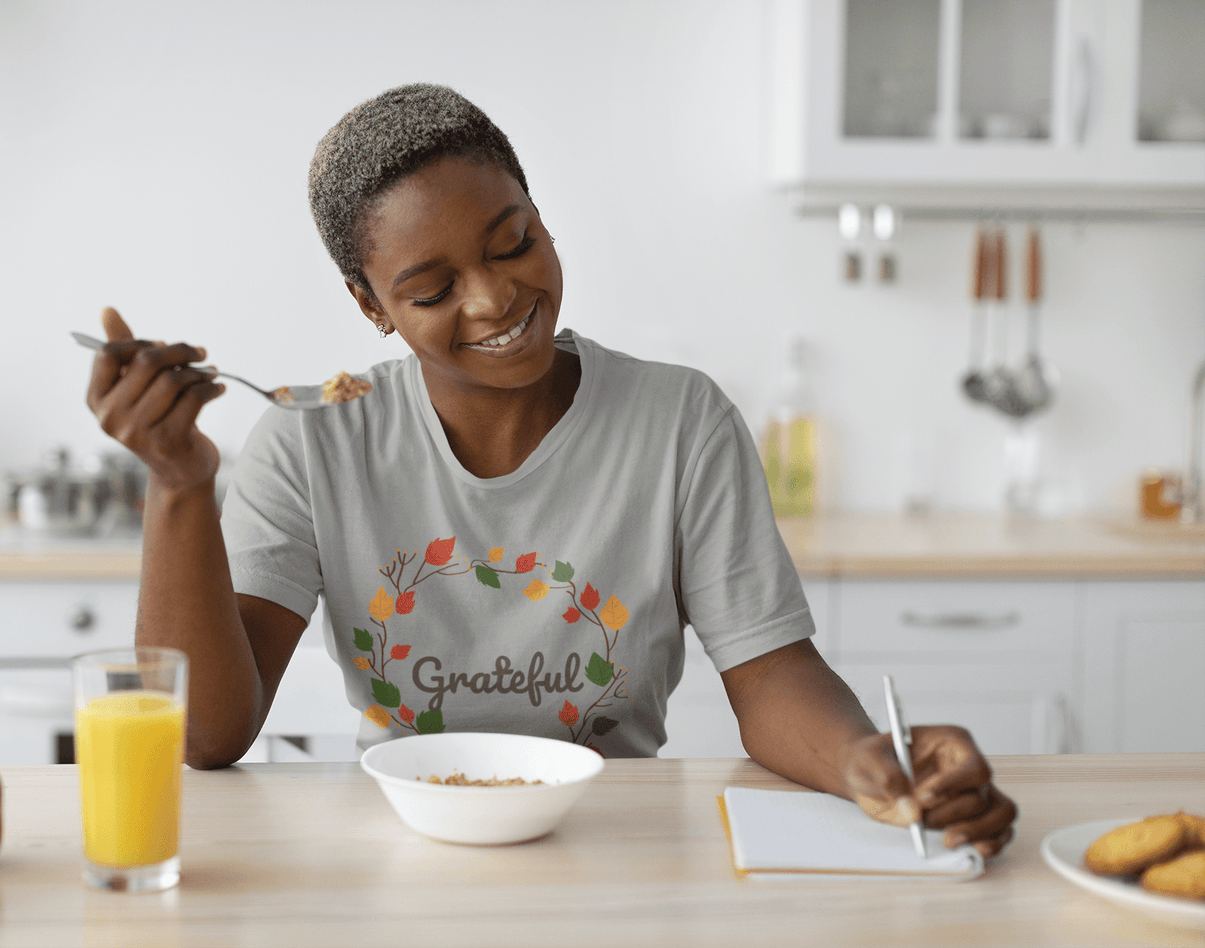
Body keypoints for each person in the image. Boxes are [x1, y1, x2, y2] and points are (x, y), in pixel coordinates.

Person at [85, 84, 1017, 857]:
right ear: (370, 304)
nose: (494, 297)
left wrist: (865, 758)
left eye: (512, 242)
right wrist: (178, 485)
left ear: (540, 218)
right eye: (432, 288)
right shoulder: (315, 438)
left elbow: (769, 677)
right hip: (407, 851)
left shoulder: (680, 420)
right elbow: (209, 734)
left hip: (616, 840)